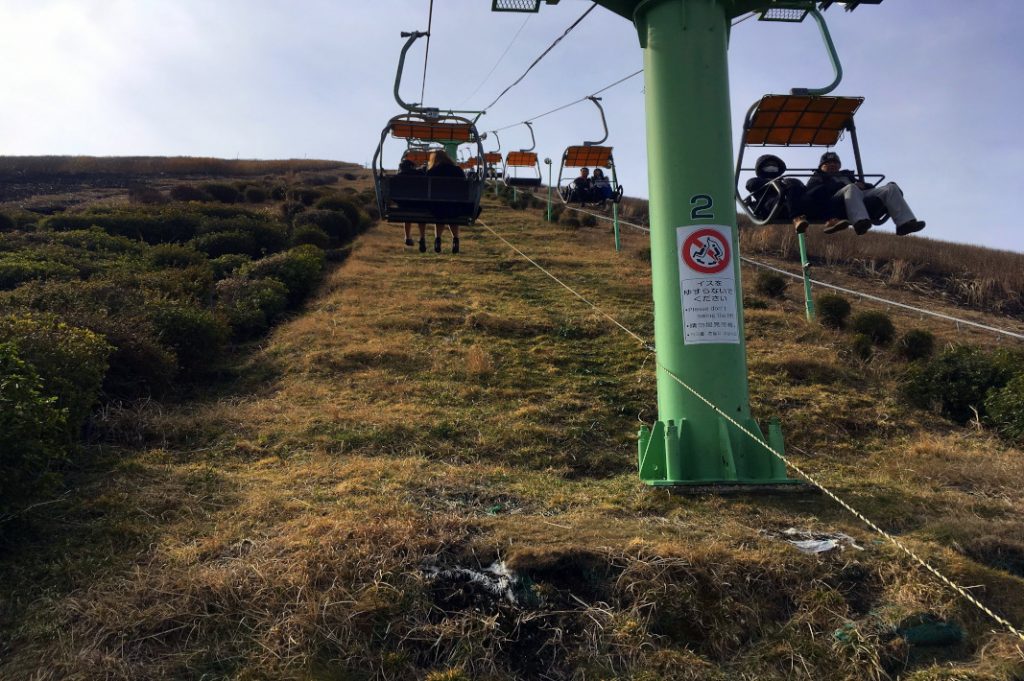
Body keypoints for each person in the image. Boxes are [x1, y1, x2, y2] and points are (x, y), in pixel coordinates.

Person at [803, 151, 925, 236]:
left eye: (835, 163)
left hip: (858, 197)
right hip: (836, 203)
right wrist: (842, 186)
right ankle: (860, 222)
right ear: (821, 167)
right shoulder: (818, 177)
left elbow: (865, 187)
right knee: (851, 187)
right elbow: (813, 192)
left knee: (890, 188)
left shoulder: (847, 176)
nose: (832, 165)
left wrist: (864, 186)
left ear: (839, 165)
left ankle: (905, 223)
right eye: (828, 163)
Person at [426, 150, 465, 254]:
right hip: (455, 205)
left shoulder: (432, 172)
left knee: (440, 213)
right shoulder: (457, 170)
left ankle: (437, 239)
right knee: (452, 214)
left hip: (436, 206)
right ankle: (455, 239)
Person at [396, 158, 428, 251]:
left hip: (404, 205)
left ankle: (407, 236)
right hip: (419, 204)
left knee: (407, 213)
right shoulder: (420, 174)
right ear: (412, 167)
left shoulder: (398, 176)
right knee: (420, 213)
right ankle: (422, 237)